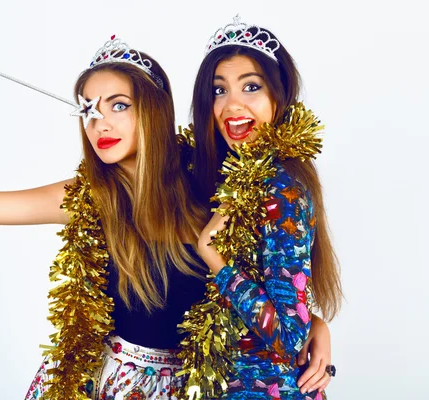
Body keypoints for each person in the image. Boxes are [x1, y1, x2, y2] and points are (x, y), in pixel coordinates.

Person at [0, 36, 332, 400]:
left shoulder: (211, 179)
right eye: (88, 109)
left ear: (154, 111)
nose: (100, 123)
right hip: (115, 386)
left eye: (119, 105)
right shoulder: (91, 197)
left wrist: (314, 323)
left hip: (204, 387)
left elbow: (263, 279)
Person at [185, 16, 343, 399]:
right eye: (219, 91)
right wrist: (317, 322)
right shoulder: (215, 177)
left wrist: (215, 257)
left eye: (251, 87)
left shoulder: (282, 188)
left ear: (279, 96)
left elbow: (288, 338)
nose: (232, 105)